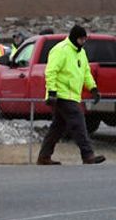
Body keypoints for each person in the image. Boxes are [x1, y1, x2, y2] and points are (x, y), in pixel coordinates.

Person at [37, 25, 106, 166]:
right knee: (79, 122)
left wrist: (93, 88)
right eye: (81, 39)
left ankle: (44, 156)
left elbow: (86, 72)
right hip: (61, 95)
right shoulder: (60, 50)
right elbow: (51, 72)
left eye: (85, 39)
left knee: (57, 127)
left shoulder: (81, 53)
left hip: (73, 95)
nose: (83, 42)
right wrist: (51, 92)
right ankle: (88, 155)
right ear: (75, 37)